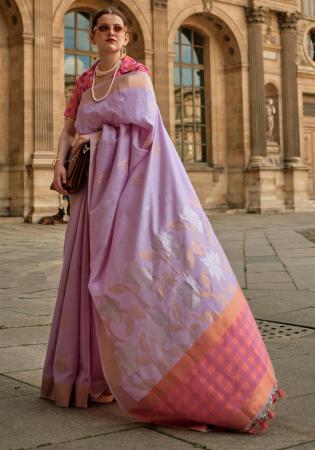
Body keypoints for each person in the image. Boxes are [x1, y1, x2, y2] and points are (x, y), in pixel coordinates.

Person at [41, 7, 284, 434]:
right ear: (94, 36)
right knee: (81, 277)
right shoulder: (83, 80)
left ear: (126, 38)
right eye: (103, 28)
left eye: (118, 28)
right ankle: (87, 378)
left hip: (130, 192)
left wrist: (97, 140)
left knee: (129, 278)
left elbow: (148, 134)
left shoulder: (137, 75)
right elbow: (68, 129)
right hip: (90, 194)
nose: (111, 33)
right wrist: (59, 164)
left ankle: (192, 381)